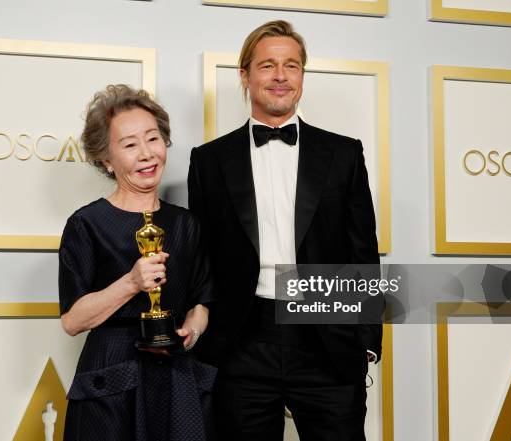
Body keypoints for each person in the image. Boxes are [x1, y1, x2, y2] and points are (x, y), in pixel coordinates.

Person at [188, 20, 381, 441]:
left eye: (291, 66)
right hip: (243, 341)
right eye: (268, 65)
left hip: (327, 335)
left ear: (302, 77)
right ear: (245, 75)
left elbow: (362, 250)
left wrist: (365, 341)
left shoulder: (344, 154)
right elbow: (201, 258)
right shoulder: (208, 161)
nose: (280, 76)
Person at [59, 84, 215, 441]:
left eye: (153, 139)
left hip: (176, 376)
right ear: (106, 159)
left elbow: (201, 301)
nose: (146, 154)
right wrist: (130, 282)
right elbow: (72, 320)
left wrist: (193, 329)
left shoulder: (185, 223)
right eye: (130, 145)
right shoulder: (86, 224)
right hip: (110, 381)